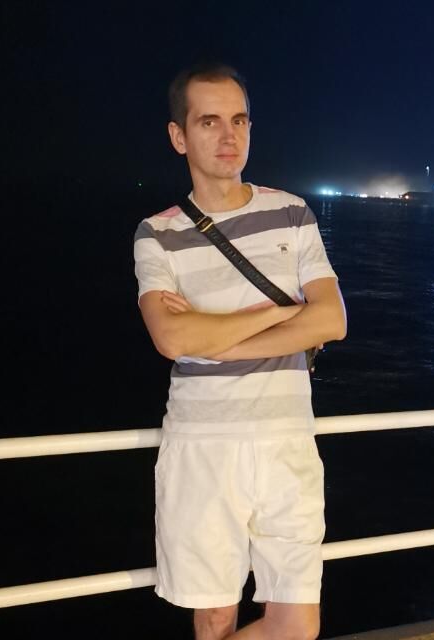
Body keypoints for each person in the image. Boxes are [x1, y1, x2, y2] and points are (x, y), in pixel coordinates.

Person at [133, 62, 347, 640]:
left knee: (295, 625)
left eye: (239, 120)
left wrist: (218, 339)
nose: (229, 136)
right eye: (209, 122)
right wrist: (284, 312)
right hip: (203, 443)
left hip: (287, 439)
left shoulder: (292, 212)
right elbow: (172, 338)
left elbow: (332, 319)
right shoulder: (158, 233)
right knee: (215, 617)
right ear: (179, 136)